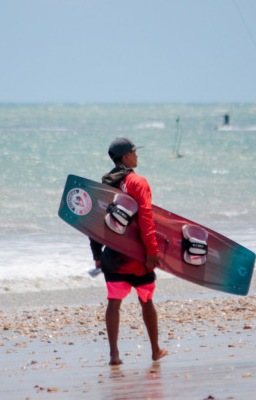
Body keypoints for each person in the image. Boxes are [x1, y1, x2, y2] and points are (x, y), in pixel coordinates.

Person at [89, 137, 168, 366]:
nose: (137, 156)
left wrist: (97, 256)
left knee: (114, 302)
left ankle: (114, 355)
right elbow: (145, 217)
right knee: (147, 301)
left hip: (112, 256)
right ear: (126, 156)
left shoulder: (105, 185)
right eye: (134, 152)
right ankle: (155, 350)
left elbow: (93, 223)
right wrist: (152, 251)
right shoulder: (138, 182)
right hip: (137, 256)